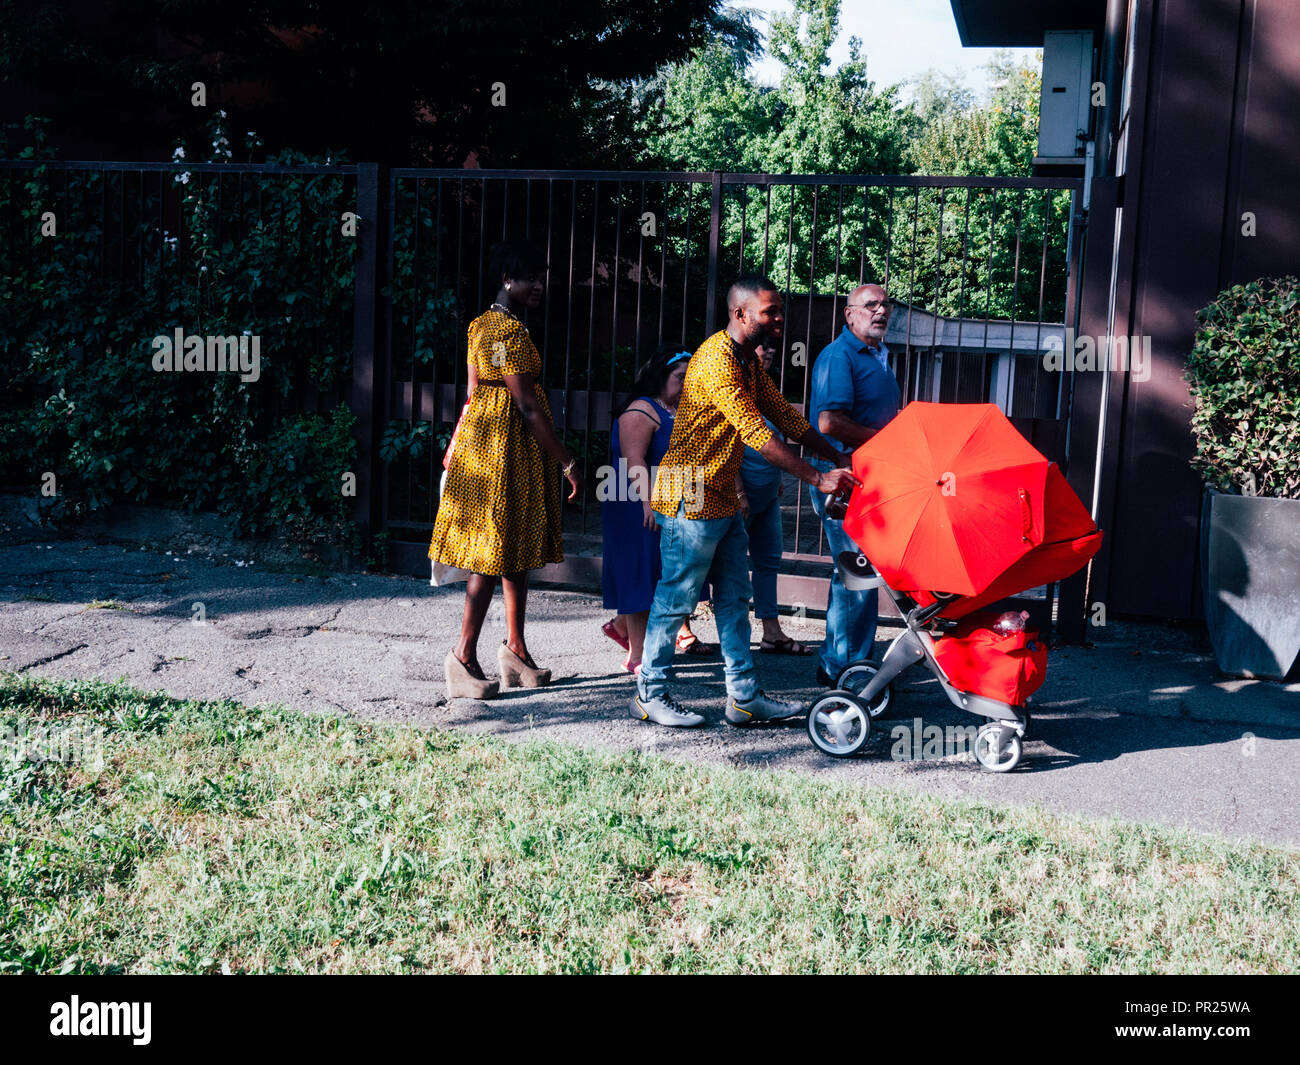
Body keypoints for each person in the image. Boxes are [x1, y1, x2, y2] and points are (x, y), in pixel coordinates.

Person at [630, 275, 859, 729]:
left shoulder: (747, 362)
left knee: (735, 599)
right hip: (689, 497)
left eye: (779, 311)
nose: (778, 320)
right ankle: (648, 693)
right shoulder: (716, 360)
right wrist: (817, 476)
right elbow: (757, 432)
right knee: (676, 601)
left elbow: (782, 415)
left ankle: (744, 697)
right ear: (740, 314)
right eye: (769, 311)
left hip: (721, 498)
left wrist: (838, 455)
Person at [428, 239, 582, 700]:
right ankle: (462, 658)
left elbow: (473, 392)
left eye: (542, 276)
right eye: (529, 277)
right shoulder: (510, 334)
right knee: (492, 554)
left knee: (509, 549)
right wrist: (568, 461)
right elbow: (529, 405)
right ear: (505, 279)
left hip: (485, 445)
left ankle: (515, 650)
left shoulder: (480, 325)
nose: (538, 285)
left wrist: (457, 444)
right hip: (505, 450)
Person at [808, 283, 902, 687]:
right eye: (870, 305)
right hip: (844, 480)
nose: (880, 311)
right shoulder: (839, 356)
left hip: (868, 477)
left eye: (885, 305)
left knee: (853, 573)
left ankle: (839, 660)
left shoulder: (877, 355)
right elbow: (829, 422)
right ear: (849, 314)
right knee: (856, 573)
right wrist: (886, 439)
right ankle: (847, 671)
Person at [600, 346, 715, 673]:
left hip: (673, 503)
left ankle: (624, 631)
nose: (686, 383)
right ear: (659, 377)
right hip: (637, 504)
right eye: (680, 377)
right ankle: (637, 656)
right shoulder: (641, 410)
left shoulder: (677, 408)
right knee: (640, 575)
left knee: (661, 573)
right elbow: (633, 460)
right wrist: (648, 504)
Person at [737, 340, 813, 655]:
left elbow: (776, 435)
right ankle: (684, 628)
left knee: (768, 560)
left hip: (767, 496)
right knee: (720, 564)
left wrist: (778, 479)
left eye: (770, 348)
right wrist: (738, 490)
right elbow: (724, 446)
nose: (769, 350)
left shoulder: (763, 388)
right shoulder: (733, 386)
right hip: (738, 500)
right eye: (761, 346)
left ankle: (771, 632)